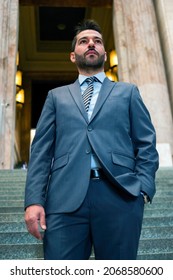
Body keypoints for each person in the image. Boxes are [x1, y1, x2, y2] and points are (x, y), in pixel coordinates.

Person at [24, 19, 159, 260]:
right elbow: (41, 153)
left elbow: (146, 143)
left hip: (120, 196)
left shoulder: (127, 92)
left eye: (97, 41)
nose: (91, 44)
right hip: (64, 200)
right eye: (83, 41)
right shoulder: (56, 97)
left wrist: (144, 188)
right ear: (73, 56)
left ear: (105, 55)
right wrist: (34, 200)